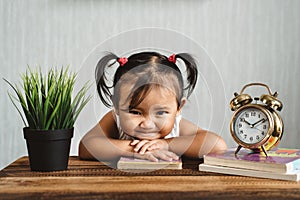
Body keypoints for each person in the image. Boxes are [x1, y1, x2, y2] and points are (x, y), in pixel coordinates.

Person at [79, 51, 227, 162]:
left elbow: (217, 145)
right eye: (135, 112)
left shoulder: (177, 126)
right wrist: (134, 149)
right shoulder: (114, 120)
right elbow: (86, 146)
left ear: (178, 108)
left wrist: (166, 144)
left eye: (161, 112)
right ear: (116, 105)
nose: (147, 124)